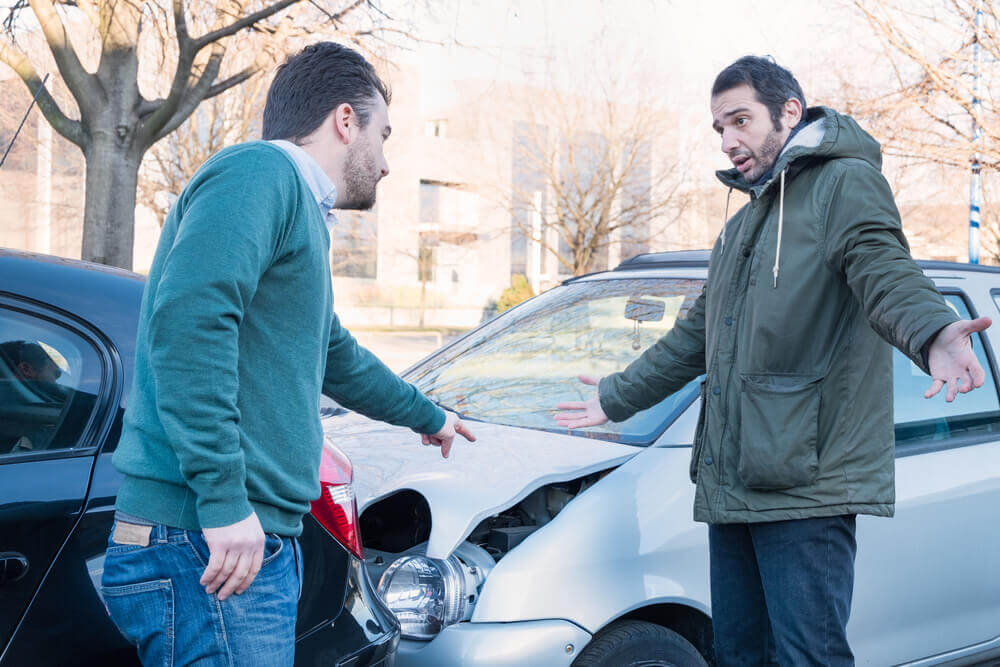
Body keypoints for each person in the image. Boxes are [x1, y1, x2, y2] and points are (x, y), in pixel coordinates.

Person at [554, 55, 991, 666]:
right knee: (740, 654)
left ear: (789, 111)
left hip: (807, 484)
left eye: (740, 120)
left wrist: (932, 330)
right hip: (735, 478)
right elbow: (695, 336)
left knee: (806, 656)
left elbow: (883, 266)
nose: (729, 140)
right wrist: (615, 396)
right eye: (719, 128)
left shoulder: (844, 183)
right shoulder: (745, 221)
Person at [101, 42, 475, 666]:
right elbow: (188, 323)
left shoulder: (297, 207)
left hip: (231, 541)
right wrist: (223, 501)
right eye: (384, 134)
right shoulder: (260, 174)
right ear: (345, 120)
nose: (386, 163)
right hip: (205, 542)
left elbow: (333, 354)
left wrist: (427, 416)